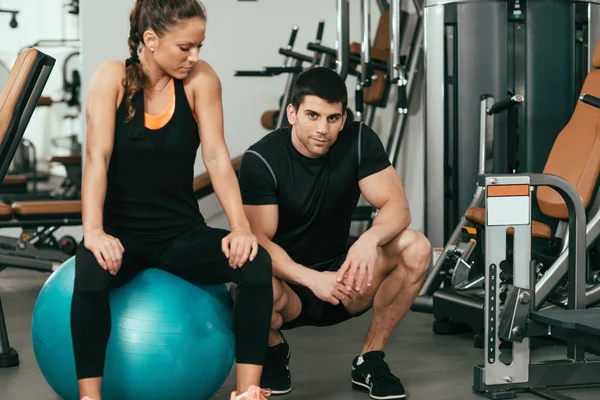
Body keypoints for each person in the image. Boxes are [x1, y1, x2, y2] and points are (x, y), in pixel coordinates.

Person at [71, 1, 273, 400]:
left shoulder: (200, 80)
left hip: (180, 234)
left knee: (255, 261)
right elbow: (97, 157)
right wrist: (93, 232)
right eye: (185, 47)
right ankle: (89, 397)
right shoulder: (111, 78)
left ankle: (248, 391)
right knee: (90, 269)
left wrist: (240, 228)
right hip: (122, 236)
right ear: (150, 40)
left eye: (199, 45)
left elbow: (216, 157)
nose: (195, 56)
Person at [237, 67, 431, 399]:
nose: (322, 129)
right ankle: (273, 350)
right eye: (312, 115)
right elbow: (260, 243)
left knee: (416, 246)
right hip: (289, 290)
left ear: (343, 119)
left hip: (345, 282)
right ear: (292, 114)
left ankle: (370, 359)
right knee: (248, 284)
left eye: (332, 118)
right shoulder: (262, 159)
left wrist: (370, 239)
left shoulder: (358, 139)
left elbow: (397, 206)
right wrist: (311, 279)